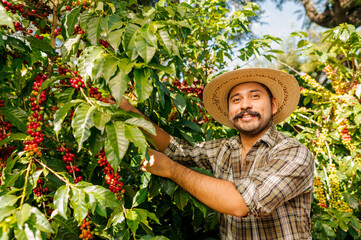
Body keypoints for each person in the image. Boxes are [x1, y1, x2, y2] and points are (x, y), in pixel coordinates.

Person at [119, 68, 314, 240]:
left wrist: (171, 170)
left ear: (273, 105)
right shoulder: (223, 149)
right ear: (229, 112)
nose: (245, 105)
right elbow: (176, 150)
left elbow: (241, 203)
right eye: (236, 100)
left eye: (255, 96)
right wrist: (128, 110)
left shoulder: (294, 153)